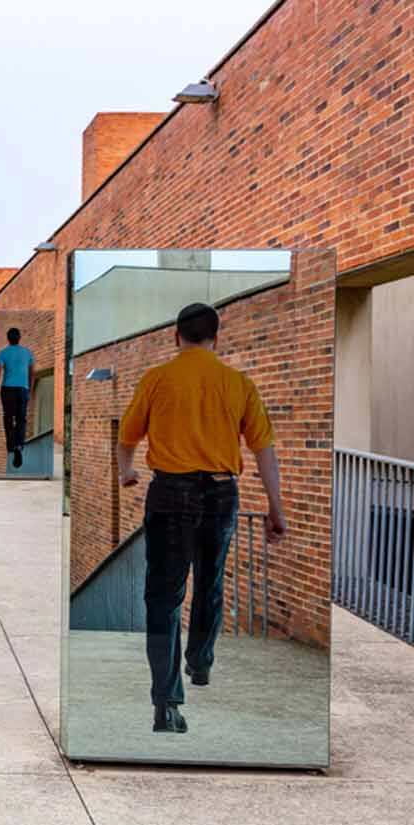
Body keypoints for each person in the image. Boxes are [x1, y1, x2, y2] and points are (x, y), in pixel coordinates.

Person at [117, 302, 286, 735]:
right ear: (217, 337)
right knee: (210, 582)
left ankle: (166, 705)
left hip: (169, 493)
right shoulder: (237, 383)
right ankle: (201, 662)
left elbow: (127, 436)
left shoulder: (157, 379)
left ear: (176, 336)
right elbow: (264, 449)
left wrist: (126, 471)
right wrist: (275, 507)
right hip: (221, 492)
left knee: (164, 597)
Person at [0, 327, 34, 469]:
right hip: (22, 389)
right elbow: (32, 372)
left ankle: (10, 445)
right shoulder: (27, 353)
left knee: (8, 417)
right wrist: (30, 390)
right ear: (19, 338)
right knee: (21, 419)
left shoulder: (3, 353)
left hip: (7, 389)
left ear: (8, 339)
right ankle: (19, 445)